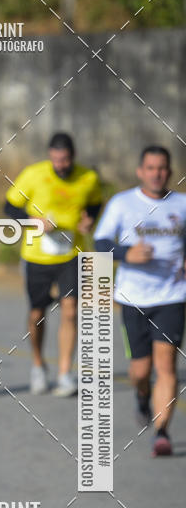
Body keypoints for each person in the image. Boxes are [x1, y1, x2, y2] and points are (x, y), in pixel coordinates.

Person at [94, 146, 186, 456]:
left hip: (172, 296)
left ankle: (161, 433)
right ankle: (142, 396)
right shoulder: (122, 204)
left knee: (166, 365)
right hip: (133, 298)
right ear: (140, 171)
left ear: (169, 172)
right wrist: (125, 253)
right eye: (150, 168)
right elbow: (100, 242)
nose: (157, 173)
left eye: (162, 168)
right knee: (141, 371)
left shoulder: (182, 204)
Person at [4, 132, 102, 396]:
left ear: (73, 157)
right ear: (50, 156)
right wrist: (32, 221)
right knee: (37, 313)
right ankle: (38, 366)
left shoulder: (87, 178)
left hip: (71, 254)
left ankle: (65, 373)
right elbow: (9, 207)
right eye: (57, 160)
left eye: (66, 159)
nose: (61, 164)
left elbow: (95, 203)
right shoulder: (34, 175)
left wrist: (89, 220)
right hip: (37, 256)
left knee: (70, 310)